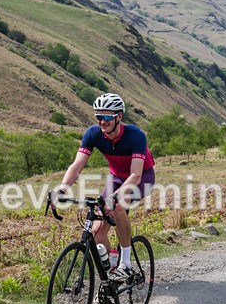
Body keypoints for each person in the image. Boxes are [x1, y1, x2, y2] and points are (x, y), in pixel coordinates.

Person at [56, 93, 156, 282]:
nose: (103, 121)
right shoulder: (93, 134)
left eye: (108, 117)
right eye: (99, 116)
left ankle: (126, 265)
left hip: (142, 177)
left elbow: (136, 175)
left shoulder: (135, 135)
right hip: (117, 177)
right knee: (96, 232)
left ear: (119, 116)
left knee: (118, 205)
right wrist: (62, 189)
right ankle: (112, 269)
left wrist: (116, 196)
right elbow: (77, 165)